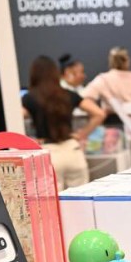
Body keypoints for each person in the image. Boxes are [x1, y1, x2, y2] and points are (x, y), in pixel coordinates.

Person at [22, 55, 106, 191]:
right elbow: (99, 113)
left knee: (53, 206)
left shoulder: (30, 97)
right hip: (73, 151)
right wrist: (83, 134)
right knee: (81, 202)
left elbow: (15, 117)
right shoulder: (69, 94)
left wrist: (30, 141)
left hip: (48, 155)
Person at [83, 47, 131, 117]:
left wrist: (100, 113)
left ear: (111, 61)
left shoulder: (103, 79)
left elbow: (84, 100)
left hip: (114, 122)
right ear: (127, 61)